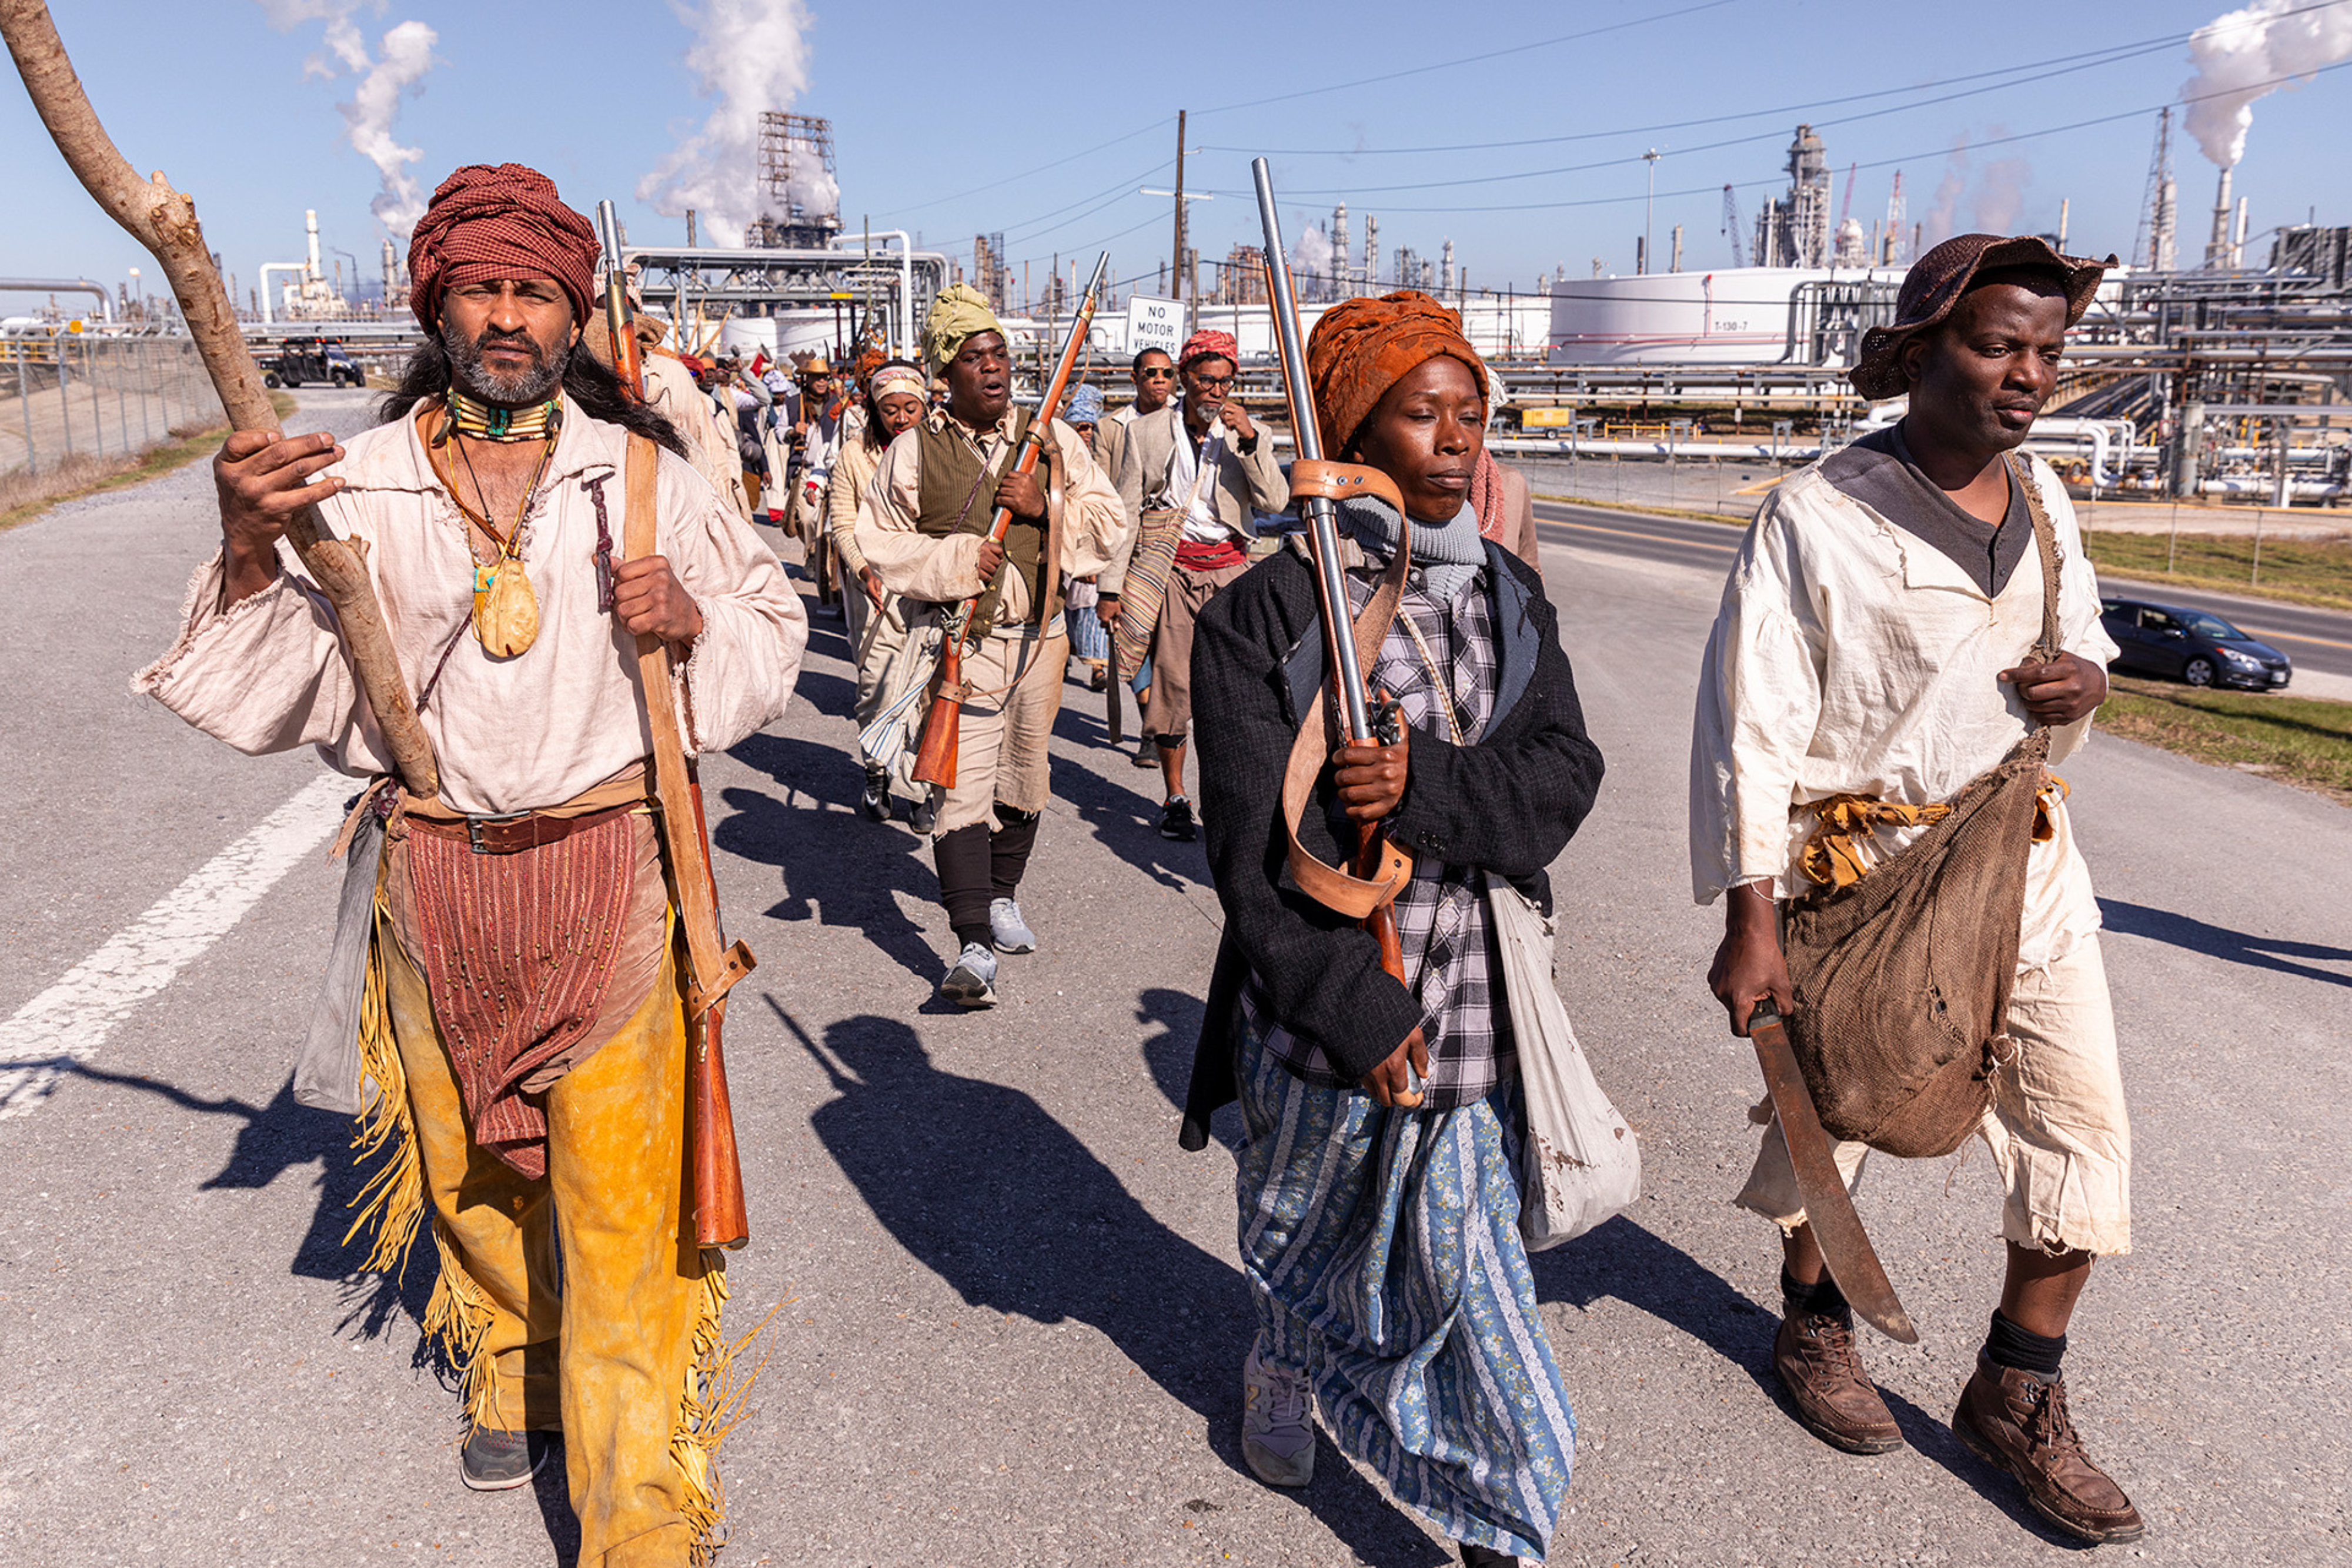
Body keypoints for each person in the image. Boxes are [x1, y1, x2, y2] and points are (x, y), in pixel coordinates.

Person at [132, 163, 806, 1566]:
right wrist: (252, 551)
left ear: (574, 315)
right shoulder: (352, 483)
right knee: (474, 1181)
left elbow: (771, 632)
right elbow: (288, 692)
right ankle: (514, 1354)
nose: (505, 313)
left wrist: (685, 621)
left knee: (630, 1218)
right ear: (437, 303)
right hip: (436, 886)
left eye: (533, 291)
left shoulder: (646, 477)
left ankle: (641, 1516)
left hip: (613, 880)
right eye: (479, 288)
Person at [1692, 234, 2143, 1545]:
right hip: (1869, 871)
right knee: (1838, 1114)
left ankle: (2015, 1390)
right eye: (1997, 344)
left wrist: (2088, 682)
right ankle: (1813, 1324)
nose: (2026, 376)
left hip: (2026, 857)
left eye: (2046, 353)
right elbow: (1750, 730)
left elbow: (2091, 636)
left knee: (2080, 1126)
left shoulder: (2045, 498)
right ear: (1918, 352)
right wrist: (1750, 915)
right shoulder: (1815, 515)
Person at [1184, 291, 1604, 1568]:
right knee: (1301, 1223)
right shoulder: (1262, 612)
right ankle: (1282, 1355)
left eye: (1469, 416)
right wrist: (1356, 1007)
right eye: (1419, 413)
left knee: (1472, 1277)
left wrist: (1421, 785)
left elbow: (1563, 777)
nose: (1453, 440)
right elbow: (1251, 852)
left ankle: (1500, 1525)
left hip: (1472, 994)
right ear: (1350, 425)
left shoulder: (1511, 596)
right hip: (1323, 998)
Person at [853, 285, 1122, 1007]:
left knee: (1024, 774)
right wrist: (953, 563)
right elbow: (877, 542)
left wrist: (1049, 504)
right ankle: (972, 943)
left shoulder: (1051, 439)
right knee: (961, 787)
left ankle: (1003, 895)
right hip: (962, 645)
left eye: (999, 353)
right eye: (974, 357)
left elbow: (1109, 520)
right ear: (948, 372)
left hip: (1042, 641)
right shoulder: (912, 449)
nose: (993, 368)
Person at [1106, 329, 1288, 840]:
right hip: (1171, 572)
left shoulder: (1247, 434)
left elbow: (1274, 503)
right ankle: (1175, 795)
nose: (1216, 392)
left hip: (1230, 570)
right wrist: (1110, 588)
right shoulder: (1147, 433)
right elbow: (1124, 508)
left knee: (1238, 689)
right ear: (1185, 378)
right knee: (1171, 686)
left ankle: (1231, 797)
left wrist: (1250, 441)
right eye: (1206, 380)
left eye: (1225, 382)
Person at [828, 356, 937, 828]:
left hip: (931, 587)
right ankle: (877, 772)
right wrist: (863, 567)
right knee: (878, 685)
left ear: (923, 407)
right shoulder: (855, 455)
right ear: (876, 409)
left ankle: (920, 789)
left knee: (926, 691)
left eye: (910, 408)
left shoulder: (941, 451)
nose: (901, 418)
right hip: (874, 591)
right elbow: (843, 521)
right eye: (890, 409)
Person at [1060, 384, 1112, 688]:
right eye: (1081, 426)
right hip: (1062, 547)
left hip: (1091, 548)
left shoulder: (1100, 458)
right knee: (1063, 609)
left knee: (1092, 612)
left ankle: (1098, 670)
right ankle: (1063, 658)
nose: (1087, 433)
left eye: (1091, 426)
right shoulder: (1057, 454)